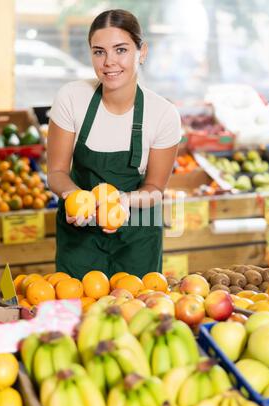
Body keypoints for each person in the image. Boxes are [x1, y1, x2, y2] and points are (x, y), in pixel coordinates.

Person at [47, 9, 182, 280]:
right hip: (79, 236)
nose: (109, 62)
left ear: (141, 52)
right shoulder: (72, 98)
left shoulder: (163, 114)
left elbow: (154, 189)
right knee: (78, 310)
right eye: (99, 52)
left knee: (137, 313)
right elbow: (57, 173)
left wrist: (123, 202)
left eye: (120, 50)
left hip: (138, 236)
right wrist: (76, 197)